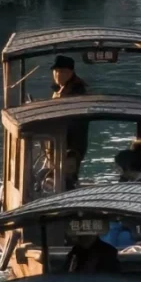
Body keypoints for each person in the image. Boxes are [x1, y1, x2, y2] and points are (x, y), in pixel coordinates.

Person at [52, 55, 89, 185]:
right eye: (55, 71)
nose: (57, 75)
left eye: (60, 71)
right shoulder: (61, 88)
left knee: (67, 176)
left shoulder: (76, 90)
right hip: (60, 138)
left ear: (69, 72)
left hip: (72, 142)